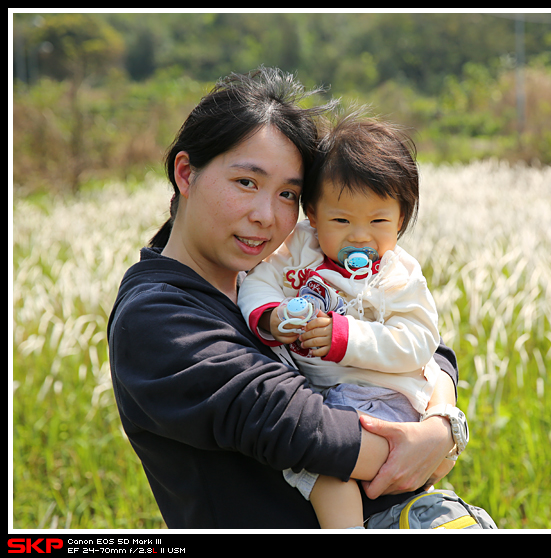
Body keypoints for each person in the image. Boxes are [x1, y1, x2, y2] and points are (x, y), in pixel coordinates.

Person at [107, 67, 460, 529]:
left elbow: (428, 348)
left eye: (287, 193)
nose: (265, 216)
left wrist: (441, 424)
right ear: (185, 174)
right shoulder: (155, 317)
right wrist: (424, 447)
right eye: (246, 183)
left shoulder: (272, 271)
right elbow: (301, 427)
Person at [237, 110, 461, 528]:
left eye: (378, 221)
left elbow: (420, 341)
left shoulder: (397, 273)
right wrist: (271, 317)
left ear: (401, 221)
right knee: (326, 476)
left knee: (342, 474)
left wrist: (345, 337)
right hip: (324, 402)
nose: (360, 236)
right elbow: (257, 284)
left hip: (389, 402)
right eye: (341, 221)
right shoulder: (297, 251)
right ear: (313, 215)